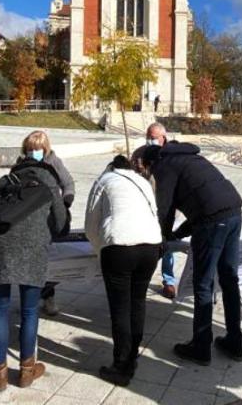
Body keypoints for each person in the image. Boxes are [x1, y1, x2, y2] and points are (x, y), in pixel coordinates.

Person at [141, 140, 242, 366]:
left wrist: (162, 238)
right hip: (234, 212)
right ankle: (235, 342)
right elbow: (201, 201)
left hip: (212, 222)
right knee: (229, 280)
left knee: (203, 284)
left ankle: (201, 346)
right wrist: (177, 234)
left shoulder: (164, 166)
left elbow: (165, 209)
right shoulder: (190, 157)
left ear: (150, 163)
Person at [0, 148, 70, 392]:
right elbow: (61, 224)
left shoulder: (4, 181)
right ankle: (26, 371)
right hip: (32, 249)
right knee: (29, 312)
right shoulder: (49, 183)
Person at [84, 155, 163, 386]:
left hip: (119, 246)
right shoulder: (143, 182)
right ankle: (132, 357)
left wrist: (100, 249)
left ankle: (120, 365)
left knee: (120, 307)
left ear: (110, 167)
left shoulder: (104, 180)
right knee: (137, 303)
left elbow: (91, 225)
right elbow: (154, 212)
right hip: (150, 245)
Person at [16, 131, 76, 316]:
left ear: (45, 149)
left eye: (37, 149)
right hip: (26, 217)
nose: (33, 152)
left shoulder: (53, 162)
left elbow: (68, 184)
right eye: (30, 149)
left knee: (47, 261)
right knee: (26, 260)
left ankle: (48, 297)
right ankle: (29, 299)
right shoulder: (20, 163)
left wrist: (64, 204)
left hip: (48, 217)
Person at [136, 123, 178, 299]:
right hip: (144, 207)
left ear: (163, 137)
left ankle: (169, 280)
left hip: (167, 207)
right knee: (143, 244)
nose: (149, 140)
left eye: (153, 137)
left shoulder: (172, 153)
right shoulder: (140, 153)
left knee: (166, 243)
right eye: (148, 137)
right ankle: (141, 278)